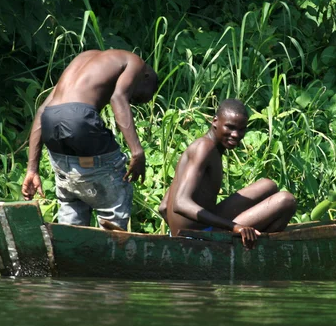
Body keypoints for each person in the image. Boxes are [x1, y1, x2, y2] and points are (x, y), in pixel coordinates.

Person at [21, 49, 158, 230]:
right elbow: (118, 98)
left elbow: (41, 112)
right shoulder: (136, 63)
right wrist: (137, 152)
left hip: (50, 120)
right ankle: (110, 247)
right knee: (113, 194)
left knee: (72, 201)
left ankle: (69, 247)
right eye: (138, 97)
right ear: (146, 76)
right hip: (79, 120)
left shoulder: (83, 61)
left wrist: (32, 169)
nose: (133, 100)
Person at [158, 99, 296, 248]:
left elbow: (164, 207)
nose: (236, 134)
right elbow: (180, 203)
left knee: (269, 185)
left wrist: (176, 232)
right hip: (197, 238)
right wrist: (234, 227)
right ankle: (255, 250)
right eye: (229, 127)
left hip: (195, 230)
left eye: (241, 129)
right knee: (286, 201)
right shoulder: (205, 148)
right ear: (215, 121)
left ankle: (248, 242)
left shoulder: (206, 146)